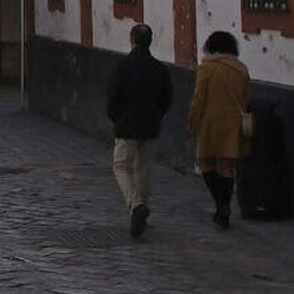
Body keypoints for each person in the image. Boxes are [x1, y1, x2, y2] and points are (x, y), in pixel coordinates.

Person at [106, 23, 172, 239]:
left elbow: (113, 97)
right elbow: (167, 98)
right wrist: (157, 115)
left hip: (127, 125)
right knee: (143, 167)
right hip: (151, 124)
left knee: (121, 166)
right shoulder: (159, 68)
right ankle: (141, 209)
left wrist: (116, 118)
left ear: (132, 40)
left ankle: (136, 205)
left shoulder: (123, 66)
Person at [187, 30, 250, 229]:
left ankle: (220, 204)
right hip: (234, 123)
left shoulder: (207, 68)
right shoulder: (241, 69)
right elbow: (246, 98)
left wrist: (193, 121)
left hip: (210, 122)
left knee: (206, 164)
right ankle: (225, 205)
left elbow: (199, 98)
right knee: (227, 167)